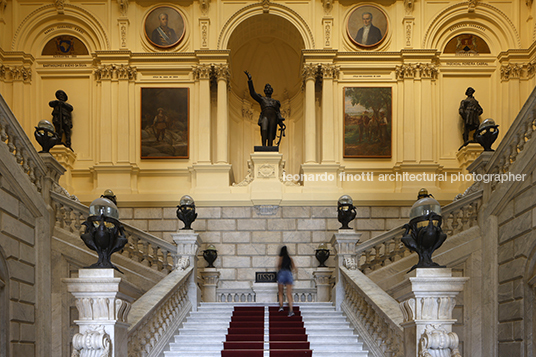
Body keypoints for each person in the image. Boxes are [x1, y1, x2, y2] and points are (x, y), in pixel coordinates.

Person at [244, 71, 285, 147]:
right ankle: (263, 146)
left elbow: (278, 113)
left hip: (273, 117)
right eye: (267, 88)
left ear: (272, 91)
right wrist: (250, 81)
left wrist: (281, 123)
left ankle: (270, 147)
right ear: (265, 91)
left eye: (270, 88)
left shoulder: (275, 102)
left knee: (271, 133)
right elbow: (253, 93)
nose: (268, 89)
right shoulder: (262, 99)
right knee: (264, 130)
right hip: (265, 116)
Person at [277, 246, 297, 317]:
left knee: (280, 292)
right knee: (289, 294)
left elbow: (279, 266)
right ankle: (291, 311)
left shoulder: (281, 258)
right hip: (289, 273)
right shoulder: (290, 258)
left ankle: (281, 307)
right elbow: (294, 268)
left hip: (282, 273)